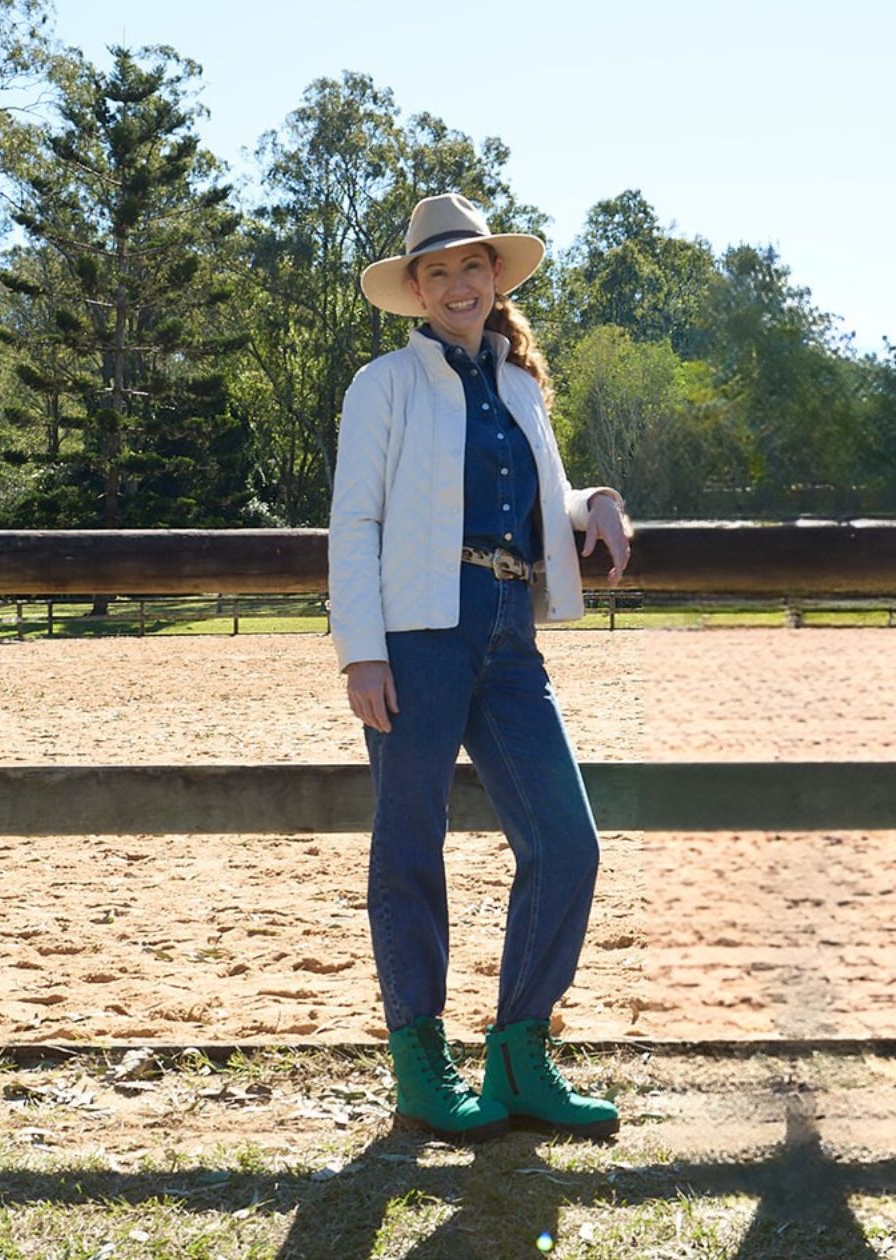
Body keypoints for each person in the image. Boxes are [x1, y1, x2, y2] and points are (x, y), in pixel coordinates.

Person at [328, 193, 631, 1143]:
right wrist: (362, 652)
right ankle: (420, 1060)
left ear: (496, 278)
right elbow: (358, 522)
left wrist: (596, 503)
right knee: (408, 847)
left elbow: (544, 495)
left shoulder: (522, 388)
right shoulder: (383, 385)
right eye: (437, 272)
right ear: (416, 291)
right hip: (415, 639)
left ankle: (520, 1051)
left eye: (472, 267)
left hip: (509, 630)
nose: (458, 285)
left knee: (565, 842)